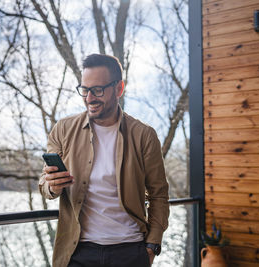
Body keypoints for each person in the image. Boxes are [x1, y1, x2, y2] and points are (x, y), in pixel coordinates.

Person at [39, 54, 169, 267]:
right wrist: (52, 186)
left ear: (119, 89)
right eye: (84, 90)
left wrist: (152, 245)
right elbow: (44, 183)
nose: (89, 98)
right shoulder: (63, 129)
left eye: (97, 90)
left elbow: (159, 194)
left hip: (130, 251)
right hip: (77, 252)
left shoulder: (144, 135)